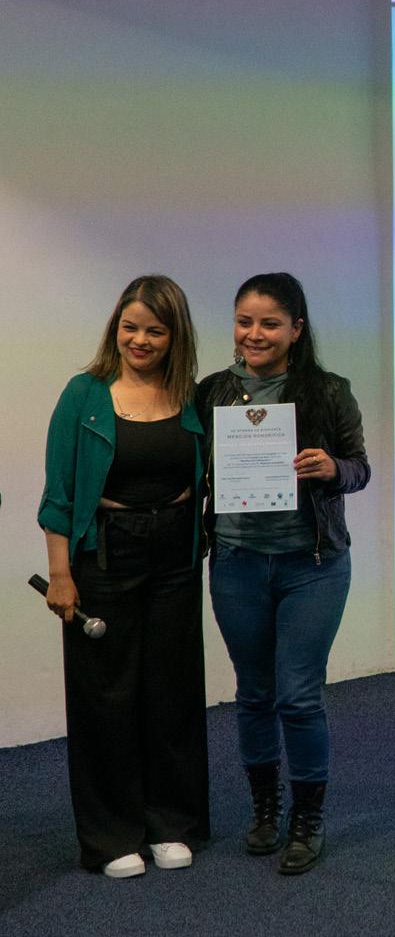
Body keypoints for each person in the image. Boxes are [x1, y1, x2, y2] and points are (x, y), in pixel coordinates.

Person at [38, 275, 210, 878]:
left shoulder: (189, 395)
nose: (140, 340)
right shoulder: (83, 394)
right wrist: (60, 574)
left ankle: (171, 824)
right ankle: (112, 836)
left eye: (155, 331)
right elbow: (58, 494)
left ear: (174, 336)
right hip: (105, 555)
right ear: (116, 327)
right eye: (130, 327)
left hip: (176, 555)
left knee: (172, 690)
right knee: (105, 695)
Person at [198, 272, 369, 875]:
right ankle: (265, 808)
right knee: (254, 693)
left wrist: (332, 468)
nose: (255, 334)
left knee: (297, 695)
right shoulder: (211, 393)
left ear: (296, 330)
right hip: (237, 564)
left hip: (312, 566)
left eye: (270, 323)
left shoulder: (329, 391)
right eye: (244, 321)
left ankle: (307, 817)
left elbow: (360, 468)